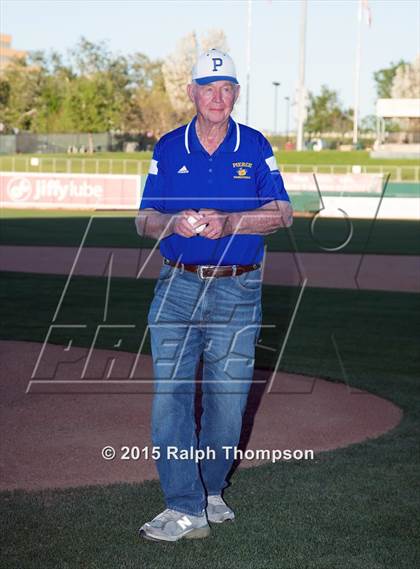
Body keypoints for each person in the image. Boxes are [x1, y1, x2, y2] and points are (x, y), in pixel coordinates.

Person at [135, 48, 292, 542]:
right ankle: (184, 506)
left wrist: (232, 222)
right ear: (192, 92)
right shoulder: (168, 146)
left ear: (236, 94)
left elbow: (283, 213)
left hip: (238, 288)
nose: (218, 98)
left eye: (227, 89)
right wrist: (172, 222)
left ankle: (211, 491)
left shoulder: (255, 144)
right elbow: (144, 219)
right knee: (171, 398)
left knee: (228, 401)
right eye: (209, 88)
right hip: (177, 285)